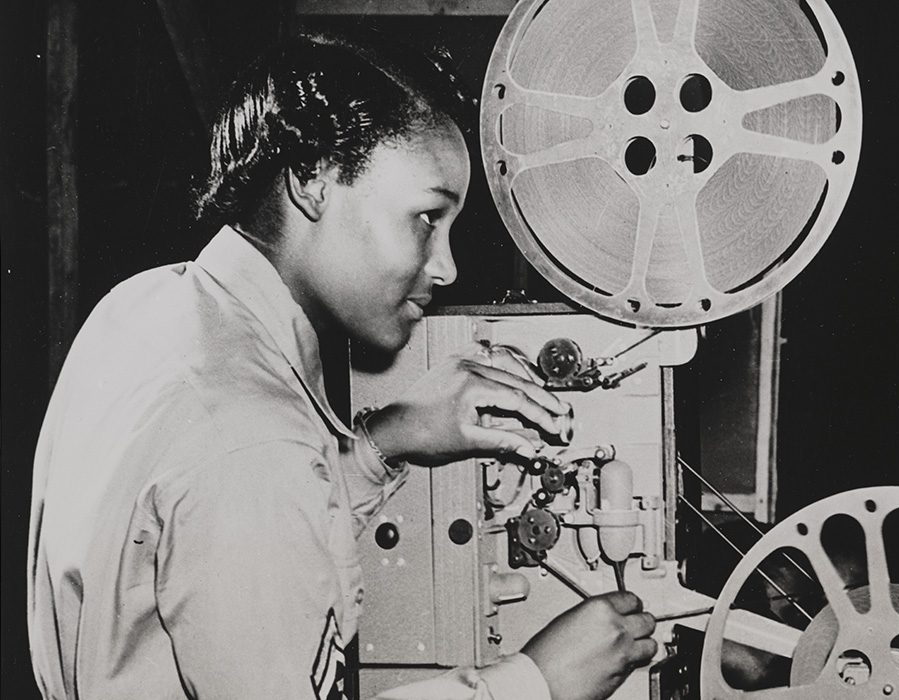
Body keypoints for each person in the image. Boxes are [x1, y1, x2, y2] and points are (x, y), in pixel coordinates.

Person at [27, 34, 657, 700]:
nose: (446, 266)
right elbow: (249, 476)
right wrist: (534, 682)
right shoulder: (249, 436)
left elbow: (233, 551)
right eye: (426, 218)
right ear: (314, 180)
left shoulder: (145, 305)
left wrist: (381, 444)